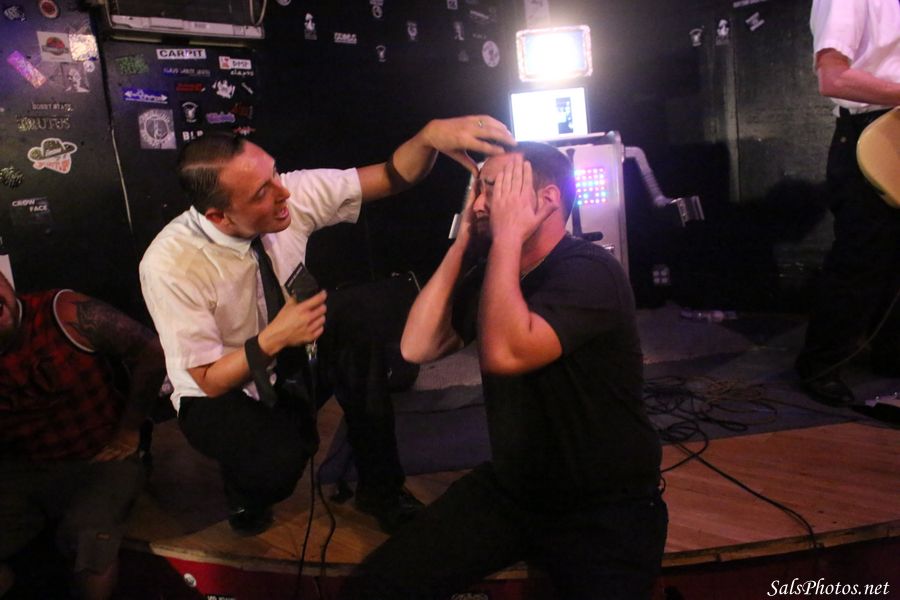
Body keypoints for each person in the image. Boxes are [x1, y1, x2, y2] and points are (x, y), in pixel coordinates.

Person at [139, 116, 515, 535]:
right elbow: (208, 380)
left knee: (355, 325)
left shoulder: (287, 194)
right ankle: (247, 491)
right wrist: (273, 339)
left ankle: (381, 489)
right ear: (219, 216)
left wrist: (428, 138)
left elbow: (391, 176)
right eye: (262, 192)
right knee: (279, 464)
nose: (283, 192)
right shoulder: (170, 264)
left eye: (275, 173)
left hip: (285, 344)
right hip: (219, 387)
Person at [344, 142, 668, 599]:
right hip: (514, 489)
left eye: (493, 189)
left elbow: (506, 353)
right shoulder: (496, 272)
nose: (479, 204)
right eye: (476, 191)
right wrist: (463, 242)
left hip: (605, 504)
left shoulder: (591, 271)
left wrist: (508, 236)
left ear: (547, 199)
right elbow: (417, 346)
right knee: (374, 588)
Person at [0, 271, 165, 599]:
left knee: (90, 542)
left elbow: (153, 351)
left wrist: (129, 428)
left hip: (98, 457)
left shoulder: (62, 313)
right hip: (24, 468)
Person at [796, 0, 900, 406]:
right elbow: (833, 78)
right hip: (870, 131)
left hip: (891, 124)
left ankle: (890, 355)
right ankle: (820, 366)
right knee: (861, 258)